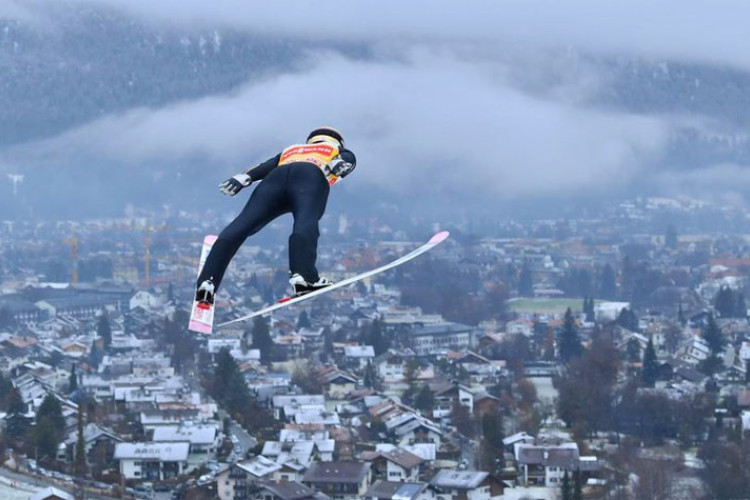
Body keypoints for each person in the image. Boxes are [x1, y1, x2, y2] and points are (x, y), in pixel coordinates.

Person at [195, 126, 356, 304]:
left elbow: (264, 167)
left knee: (242, 225)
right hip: (309, 178)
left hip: (275, 180)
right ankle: (304, 277)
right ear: (338, 141)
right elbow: (348, 158)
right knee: (305, 223)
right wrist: (339, 163)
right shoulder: (335, 149)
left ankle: (206, 282)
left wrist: (241, 178)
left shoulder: (292, 149)